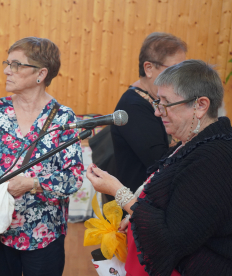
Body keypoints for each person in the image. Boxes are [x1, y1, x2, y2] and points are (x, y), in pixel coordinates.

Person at [87, 60, 232, 275]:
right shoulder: (191, 144)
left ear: (200, 105)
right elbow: (175, 209)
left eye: (166, 104)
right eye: (157, 102)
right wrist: (135, 216)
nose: (157, 112)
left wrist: (120, 194)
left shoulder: (214, 157)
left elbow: (171, 239)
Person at [0, 37, 84, 276]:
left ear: (41, 73)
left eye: (16, 65)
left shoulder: (63, 117)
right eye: (7, 63)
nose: (6, 71)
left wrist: (33, 185)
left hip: (44, 236)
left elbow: (74, 178)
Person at [110, 32, 187, 200]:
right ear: (149, 68)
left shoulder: (155, 99)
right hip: (136, 206)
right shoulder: (133, 105)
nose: (181, 77)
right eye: (174, 69)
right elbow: (159, 162)